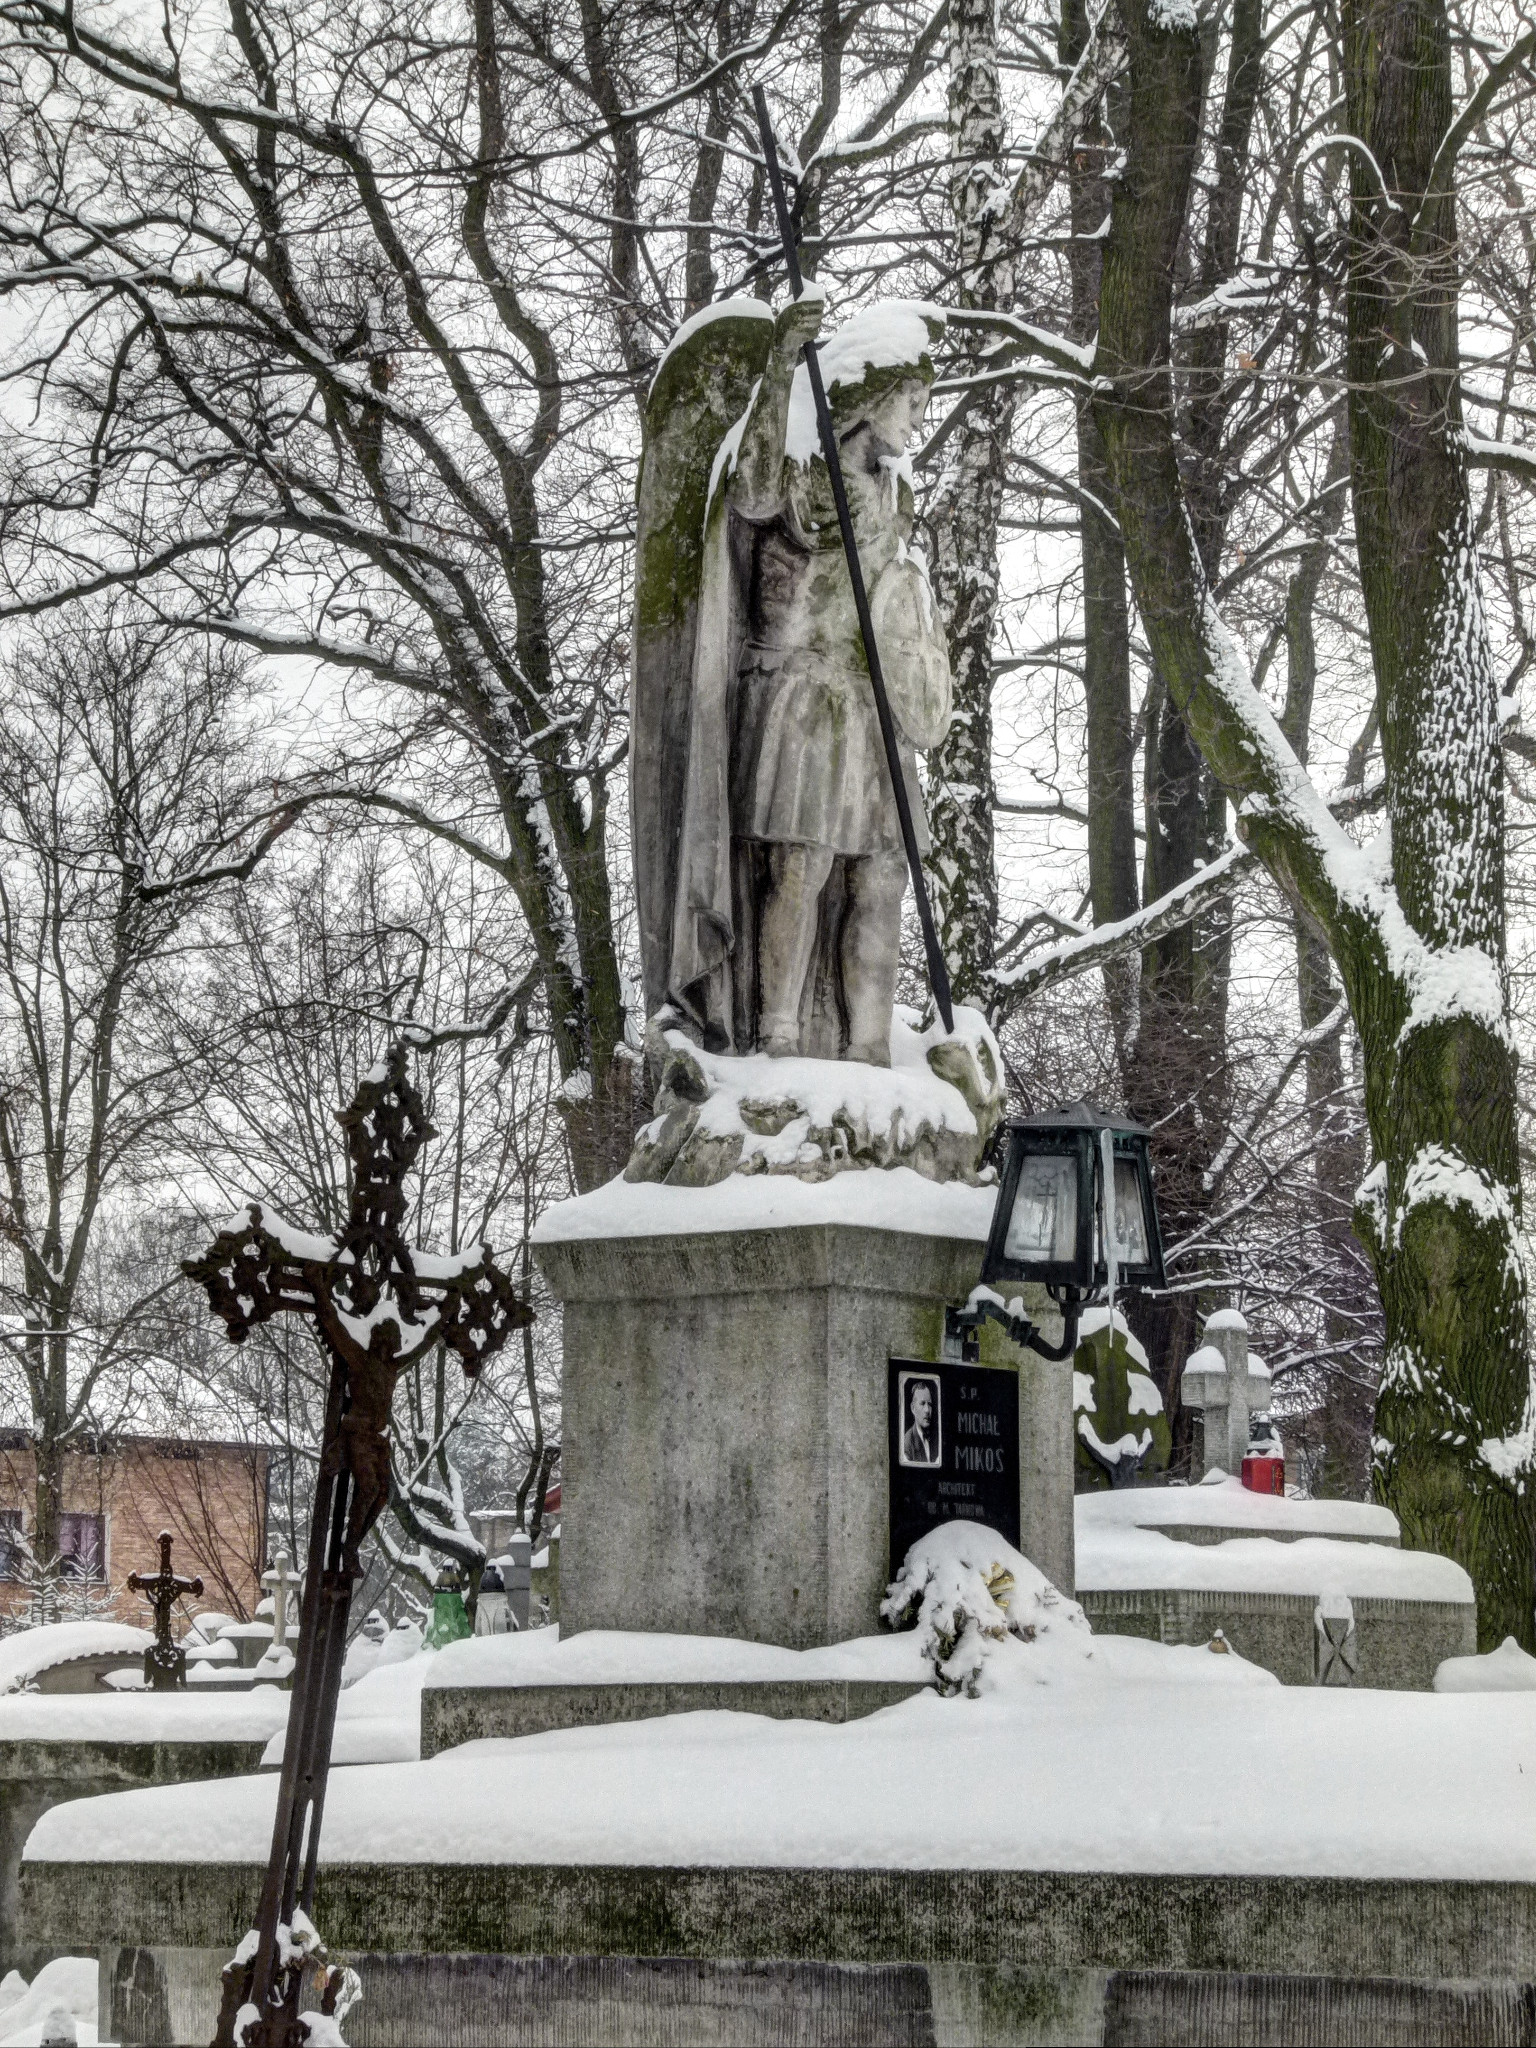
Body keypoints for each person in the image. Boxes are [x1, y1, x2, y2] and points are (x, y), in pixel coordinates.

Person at [903, 1379, 938, 1465]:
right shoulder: (906, 1444)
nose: (927, 1410)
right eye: (922, 1403)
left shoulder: (935, 1440)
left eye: (929, 1404)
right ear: (913, 1408)